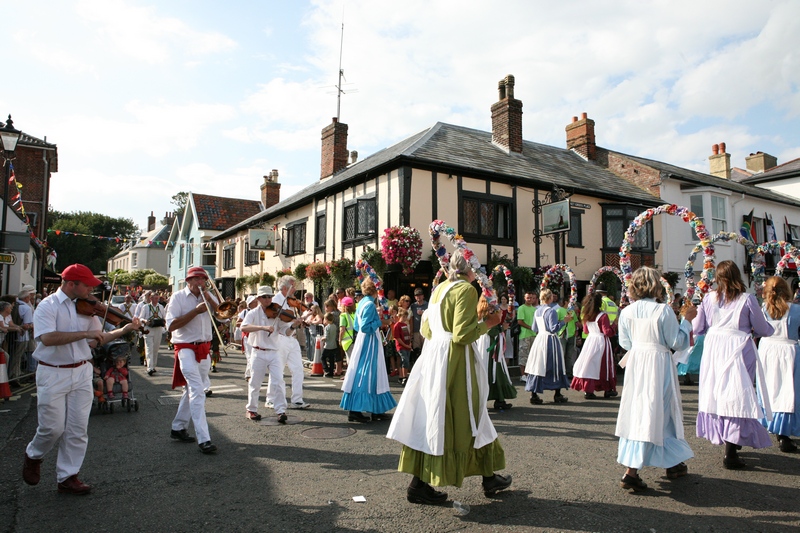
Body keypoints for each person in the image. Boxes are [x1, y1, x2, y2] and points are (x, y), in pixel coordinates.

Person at [388, 249, 510, 504]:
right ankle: (483, 477)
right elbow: (462, 334)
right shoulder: (466, 289)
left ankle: (480, 477)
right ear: (470, 269)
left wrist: (439, 348)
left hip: (434, 358)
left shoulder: (440, 289)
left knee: (435, 417)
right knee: (467, 415)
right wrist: (488, 324)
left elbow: (426, 329)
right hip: (456, 360)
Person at [22, 264, 142, 494]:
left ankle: (68, 476)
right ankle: (33, 455)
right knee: (52, 428)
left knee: (77, 428)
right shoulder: (47, 306)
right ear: (71, 284)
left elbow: (97, 340)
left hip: (81, 370)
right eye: (87, 286)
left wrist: (124, 330)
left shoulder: (87, 308)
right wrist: (85, 333)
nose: (91, 291)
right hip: (53, 371)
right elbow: (47, 338)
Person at [615, 265, 696, 491]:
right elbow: (677, 342)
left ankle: (662, 463)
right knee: (662, 409)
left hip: (637, 362)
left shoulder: (627, 312)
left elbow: (624, 343)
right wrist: (687, 321)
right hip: (658, 363)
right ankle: (656, 465)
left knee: (638, 410)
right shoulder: (663, 311)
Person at [693, 260, 774, 469]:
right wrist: (769, 330)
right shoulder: (747, 299)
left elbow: (699, 327)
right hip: (739, 348)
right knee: (737, 395)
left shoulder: (708, 299)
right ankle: (731, 450)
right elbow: (762, 328)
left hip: (713, 349)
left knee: (716, 393)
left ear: (717, 278)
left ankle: (729, 439)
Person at [166, 266, 220, 454]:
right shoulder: (178, 297)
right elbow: (171, 325)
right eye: (196, 279)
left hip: (204, 348)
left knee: (191, 389)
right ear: (188, 281)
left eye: (203, 279)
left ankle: (178, 427)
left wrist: (211, 300)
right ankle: (204, 438)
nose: (200, 282)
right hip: (185, 348)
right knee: (198, 391)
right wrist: (195, 312)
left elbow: (223, 317)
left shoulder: (208, 296)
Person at [340, 278, 397, 423]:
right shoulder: (370, 304)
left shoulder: (361, 303)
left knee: (373, 372)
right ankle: (358, 410)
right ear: (375, 289)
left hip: (364, 340)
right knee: (368, 373)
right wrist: (381, 321)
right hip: (369, 341)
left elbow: (358, 326)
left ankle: (376, 410)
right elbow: (365, 327)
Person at [758, 276, 800, 453]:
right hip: (789, 351)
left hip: (766, 351)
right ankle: (784, 434)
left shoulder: (763, 309)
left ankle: (770, 425)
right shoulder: (796, 310)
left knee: (768, 390)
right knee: (788, 392)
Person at [241, 285, 288, 424]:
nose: (268, 299)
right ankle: (251, 409)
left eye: (270, 296)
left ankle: (281, 410)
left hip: (274, 352)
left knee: (279, 381)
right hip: (258, 351)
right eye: (265, 297)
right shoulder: (253, 313)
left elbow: (286, 331)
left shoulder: (277, 312)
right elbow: (243, 327)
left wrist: (293, 325)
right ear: (259, 298)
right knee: (255, 382)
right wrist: (262, 327)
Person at [267, 275, 310, 410]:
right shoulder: (276, 301)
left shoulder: (290, 302)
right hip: (280, 339)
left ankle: (297, 399)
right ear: (285, 288)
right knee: (277, 370)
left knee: (298, 369)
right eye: (293, 286)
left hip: (291, 337)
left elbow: (289, 323)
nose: (295, 289)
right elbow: (277, 322)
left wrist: (298, 321)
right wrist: (292, 323)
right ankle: (271, 399)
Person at [524, 289, 571, 404]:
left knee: (538, 365)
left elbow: (534, 328)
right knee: (555, 364)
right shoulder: (551, 311)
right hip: (550, 340)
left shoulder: (537, 311)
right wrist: (564, 321)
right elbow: (553, 328)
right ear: (550, 298)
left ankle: (534, 394)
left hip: (540, 339)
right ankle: (557, 393)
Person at [571, 293, 617, 399]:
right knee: (604, 365)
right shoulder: (603, 316)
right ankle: (607, 389)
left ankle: (588, 390)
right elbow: (607, 332)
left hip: (590, 341)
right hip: (601, 341)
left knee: (589, 364)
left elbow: (585, 330)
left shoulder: (586, 315)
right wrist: (614, 326)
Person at [480, 296, 517, 410]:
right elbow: (490, 330)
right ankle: (494, 399)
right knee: (492, 369)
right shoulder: (486, 314)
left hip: (492, 344)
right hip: (490, 345)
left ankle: (499, 399)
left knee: (497, 369)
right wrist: (502, 328)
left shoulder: (486, 313)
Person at [137, 291, 166, 376]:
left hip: (158, 329)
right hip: (148, 329)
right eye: (154, 298)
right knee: (149, 348)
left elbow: (164, 317)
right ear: (151, 298)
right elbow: (140, 317)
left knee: (155, 348)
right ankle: (149, 368)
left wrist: (164, 322)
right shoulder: (146, 307)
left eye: (157, 298)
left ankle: (153, 366)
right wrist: (145, 321)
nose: (156, 300)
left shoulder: (161, 307)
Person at [516, 290, 539, 375]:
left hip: (534, 335)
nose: (529, 299)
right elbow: (520, 321)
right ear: (524, 298)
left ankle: (530, 373)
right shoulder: (521, 308)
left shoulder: (535, 309)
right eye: (528, 298)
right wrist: (530, 327)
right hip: (525, 335)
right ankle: (523, 375)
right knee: (523, 356)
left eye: (531, 298)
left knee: (533, 355)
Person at [392, 307, 412, 386]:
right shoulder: (397, 325)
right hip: (401, 346)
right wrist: (405, 345)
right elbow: (397, 338)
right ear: (399, 316)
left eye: (406, 317)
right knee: (405, 360)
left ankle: (401, 377)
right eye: (403, 317)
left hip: (407, 346)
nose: (405, 318)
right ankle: (404, 376)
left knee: (405, 361)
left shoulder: (405, 325)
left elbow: (407, 335)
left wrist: (409, 344)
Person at [338, 296, 356, 377]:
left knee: (350, 360)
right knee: (356, 360)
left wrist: (339, 340)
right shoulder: (356, 314)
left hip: (348, 341)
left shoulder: (343, 315)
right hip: (357, 340)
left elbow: (342, 330)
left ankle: (350, 378)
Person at [410, 288, 428, 363]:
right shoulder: (412, 306)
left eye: (420, 295)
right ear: (415, 297)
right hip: (416, 330)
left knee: (425, 348)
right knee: (416, 349)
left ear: (423, 296)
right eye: (417, 295)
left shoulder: (428, 305)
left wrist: (423, 312)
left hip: (425, 330)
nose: (418, 297)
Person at [321, 312, 339, 378]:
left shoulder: (327, 327)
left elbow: (326, 337)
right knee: (331, 359)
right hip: (334, 345)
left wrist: (322, 338)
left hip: (328, 345)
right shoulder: (334, 326)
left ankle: (326, 370)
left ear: (326, 319)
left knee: (323, 358)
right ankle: (331, 372)